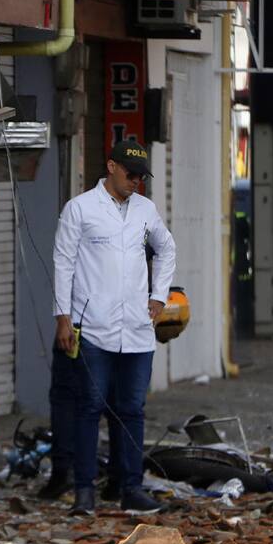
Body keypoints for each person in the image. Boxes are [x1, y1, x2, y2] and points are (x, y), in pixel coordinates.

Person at [53, 139, 176, 515]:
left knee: (132, 409)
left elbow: (167, 248)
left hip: (137, 328)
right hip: (93, 326)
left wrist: (159, 296)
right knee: (90, 406)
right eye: (131, 173)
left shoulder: (145, 210)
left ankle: (131, 487)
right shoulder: (80, 209)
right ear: (111, 166)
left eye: (142, 175)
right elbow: (63, 262)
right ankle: (84, 491)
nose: (136, 180)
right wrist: (63, 317)